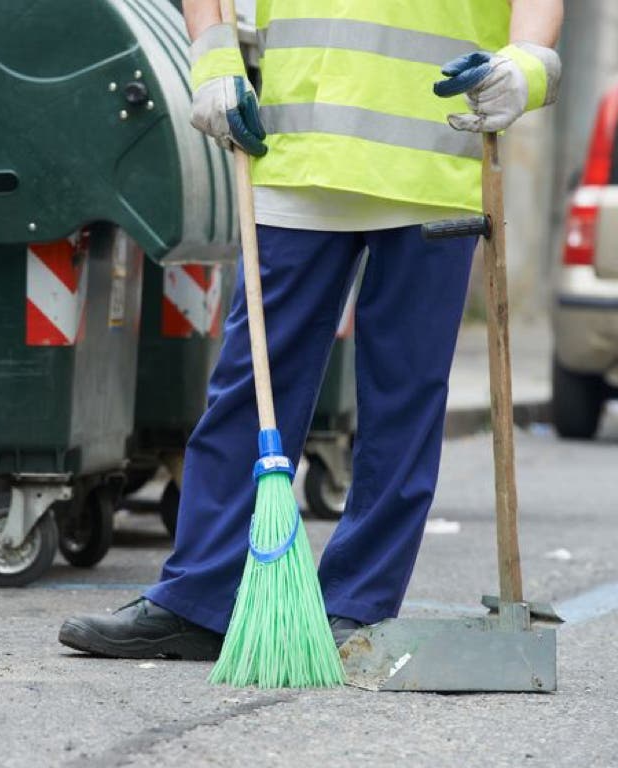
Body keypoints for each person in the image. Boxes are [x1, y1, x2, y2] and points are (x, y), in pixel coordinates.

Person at [59, 0, 563, 660]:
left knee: (403, 402)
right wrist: (212, 60)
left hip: (433, 163)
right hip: (298, 157)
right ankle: (198, 601)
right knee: (250, 388)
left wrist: (526, 65)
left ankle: (355, 606)